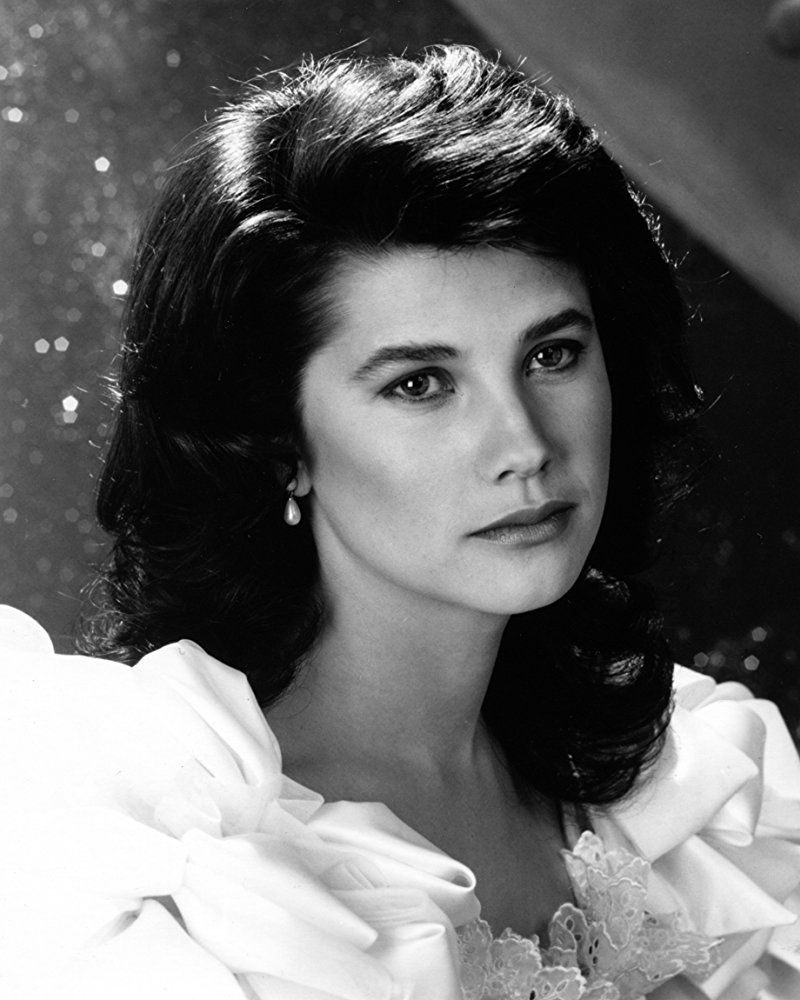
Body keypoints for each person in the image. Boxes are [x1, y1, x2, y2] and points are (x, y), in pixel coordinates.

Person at [1, 44, 798, 1000]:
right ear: (277, 443)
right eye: (420, 384)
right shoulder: (170, 873)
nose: (524, 445)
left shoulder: (685, 789)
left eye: (551, 355)